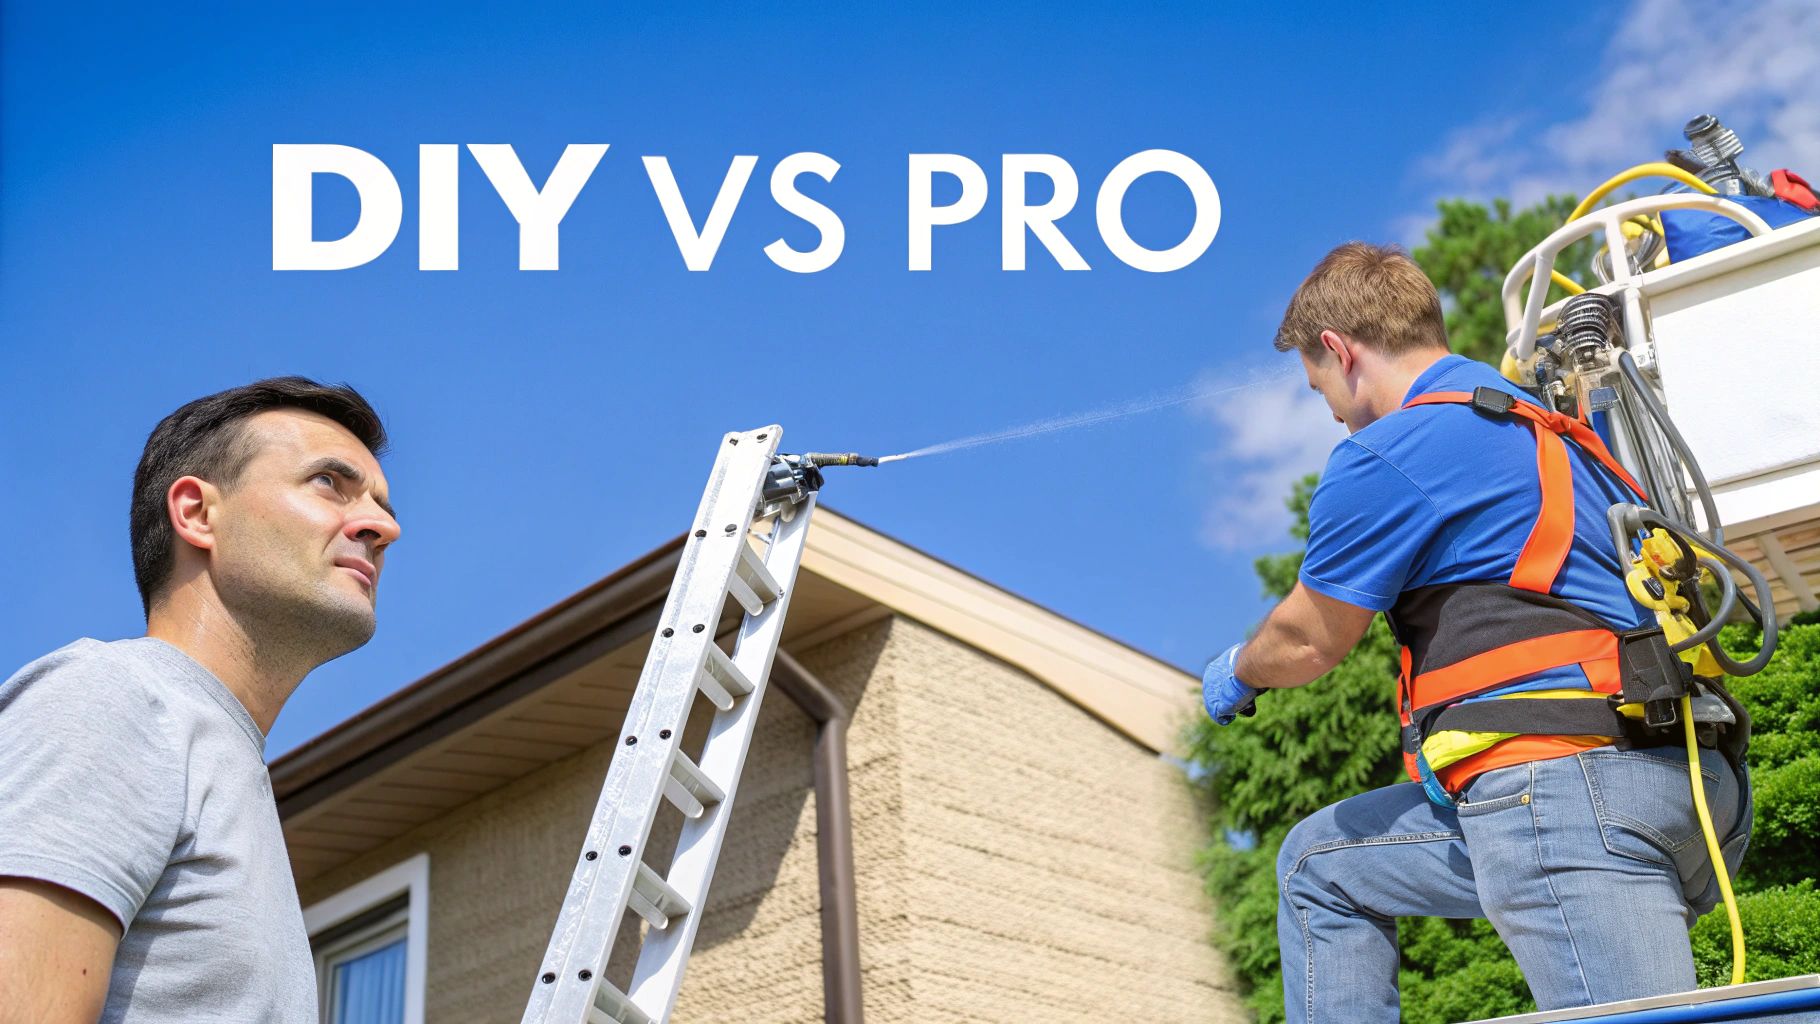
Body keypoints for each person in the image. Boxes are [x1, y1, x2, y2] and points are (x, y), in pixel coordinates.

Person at [1200, 243, 1750, 1023]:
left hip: (1565, 794)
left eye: (1318, 384)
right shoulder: (1555, 429)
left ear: (1338, 350)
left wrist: (1240, 673)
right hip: (1691, 786)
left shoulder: (1390, 453)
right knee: (1321, 865)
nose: (1329, 408)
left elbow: (1308, 641)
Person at [0, 378, 401, 1023]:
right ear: (197, 514)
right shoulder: (115, 701)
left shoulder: (223, 768)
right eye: (330, 482)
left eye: (382, 504)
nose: (384, 527)